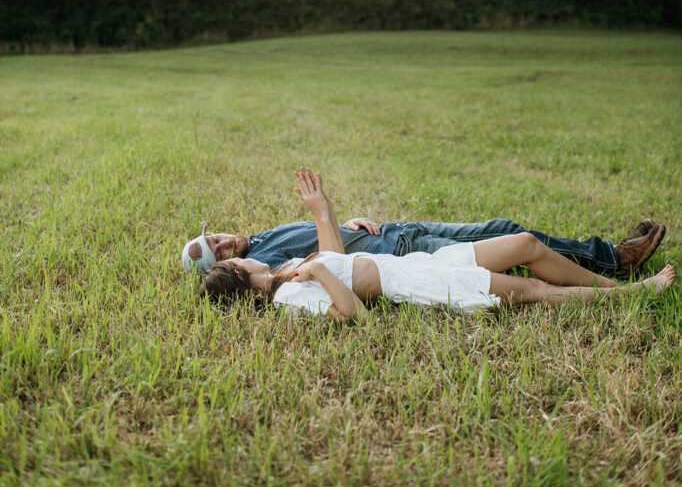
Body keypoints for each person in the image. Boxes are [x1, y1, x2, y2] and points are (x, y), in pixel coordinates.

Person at [198, 170, 675, 323]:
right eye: (235, 259)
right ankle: (635, 293)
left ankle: (612, 275)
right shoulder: (288, 299)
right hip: (425, 282)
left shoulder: (285, 268)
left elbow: (337, 259)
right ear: (240, 274)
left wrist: (324, 211)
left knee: (525, 242)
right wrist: (316, 272)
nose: (240, 252)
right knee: (530, 294)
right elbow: (353, 317)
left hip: (425, 261)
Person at [182, 168, 666, 278]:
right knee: (515, 245)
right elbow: (331, 261)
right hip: (400, 253)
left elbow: (329, 239)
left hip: (393, 230)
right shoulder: (261, 262)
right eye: (220, 255)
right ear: (225, 268)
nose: (225, 244)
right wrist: (323, 211)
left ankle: (600, 255)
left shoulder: (259, 238)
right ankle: (615, 261)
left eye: (214, 237)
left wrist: (346, 220)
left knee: (504, 224)